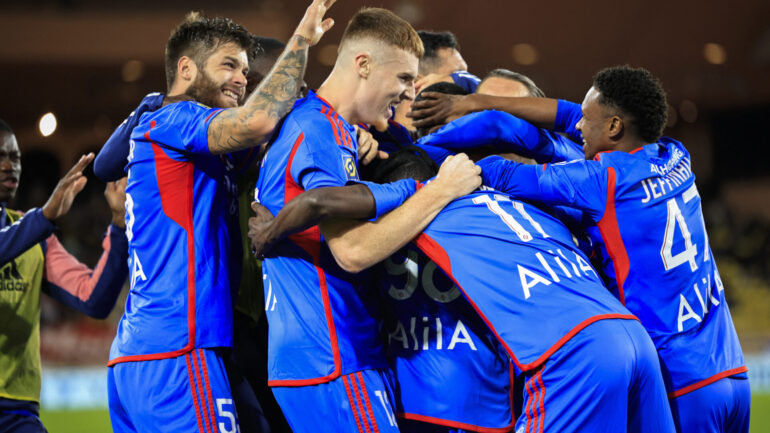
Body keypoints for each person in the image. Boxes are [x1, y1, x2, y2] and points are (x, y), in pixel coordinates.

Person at [414, 65, 750, 432]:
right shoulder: (674, 154)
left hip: (681, 381)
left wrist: (422, 159)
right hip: (730, 369)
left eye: (587, 118)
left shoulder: (601, 180)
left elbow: (506, 172)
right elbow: (563, 113)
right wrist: (477, 101)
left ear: (614, 127)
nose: (577, 125)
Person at [248, 148, 677, 432]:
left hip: (570, 355)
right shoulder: (528, 206)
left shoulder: (424, 199)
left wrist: (276, 230)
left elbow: (329, 211)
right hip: (631, 334)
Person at [106, 2, 336, 432]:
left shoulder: (199, 148)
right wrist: (302, 40)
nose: (242, 78)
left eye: (245, 70)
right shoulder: (175, 118)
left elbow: (273, 132)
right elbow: (259, 120)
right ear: (186, 69)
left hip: (144, 353)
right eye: (229, 65)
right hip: (180, 348)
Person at [255, 7, 483, 431]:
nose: (409, 92)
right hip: (333, 354)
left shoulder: (324, 127)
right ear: (363, 65)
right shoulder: (318, 130)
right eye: (403, 78)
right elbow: (354, 251)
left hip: (324, 354)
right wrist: (439, 190)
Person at [0, 119, 128, 432]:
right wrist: (44, 216)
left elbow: (93, 298)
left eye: (15, 157)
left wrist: (119, 225)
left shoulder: (36, 237)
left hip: (16, 412)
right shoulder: (36, 227)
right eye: (0, 156)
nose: (8, 165)